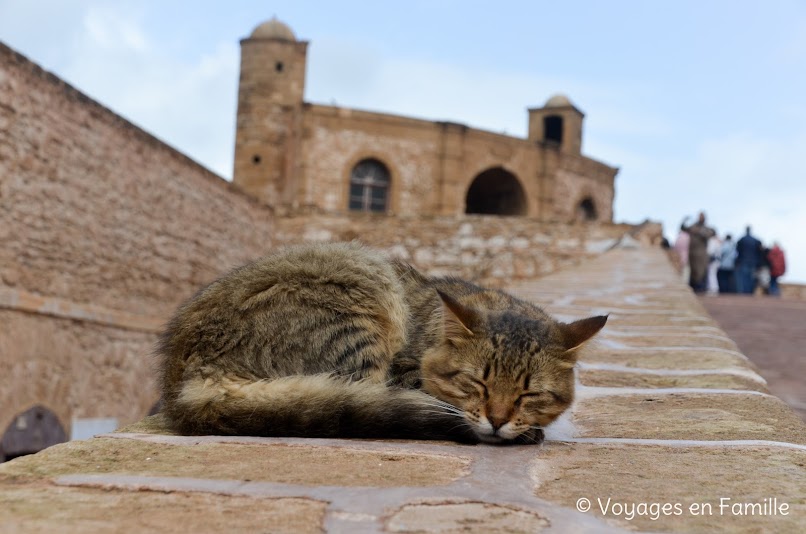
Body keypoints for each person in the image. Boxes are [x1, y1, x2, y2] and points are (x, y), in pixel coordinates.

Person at [683, 212, 716, 293]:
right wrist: (684, 220)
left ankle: (701, 289)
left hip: (702, 254)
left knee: (701, 272)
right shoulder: (693, 227)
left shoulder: (706, 228)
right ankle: (694, 289)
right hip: (692, 254)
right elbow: (683, 228)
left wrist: (699, 231)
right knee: (693, 272)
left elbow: (712, 233)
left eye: (702, 216)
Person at [735, 226, 762, 294]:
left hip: (743, 260)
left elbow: (738, 250)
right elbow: (759, 252)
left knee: (744, 277)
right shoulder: (755, 240)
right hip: (753, 261)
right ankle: (750, 291)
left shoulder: (742, 239)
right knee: (751, 277)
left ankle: (745, 291)